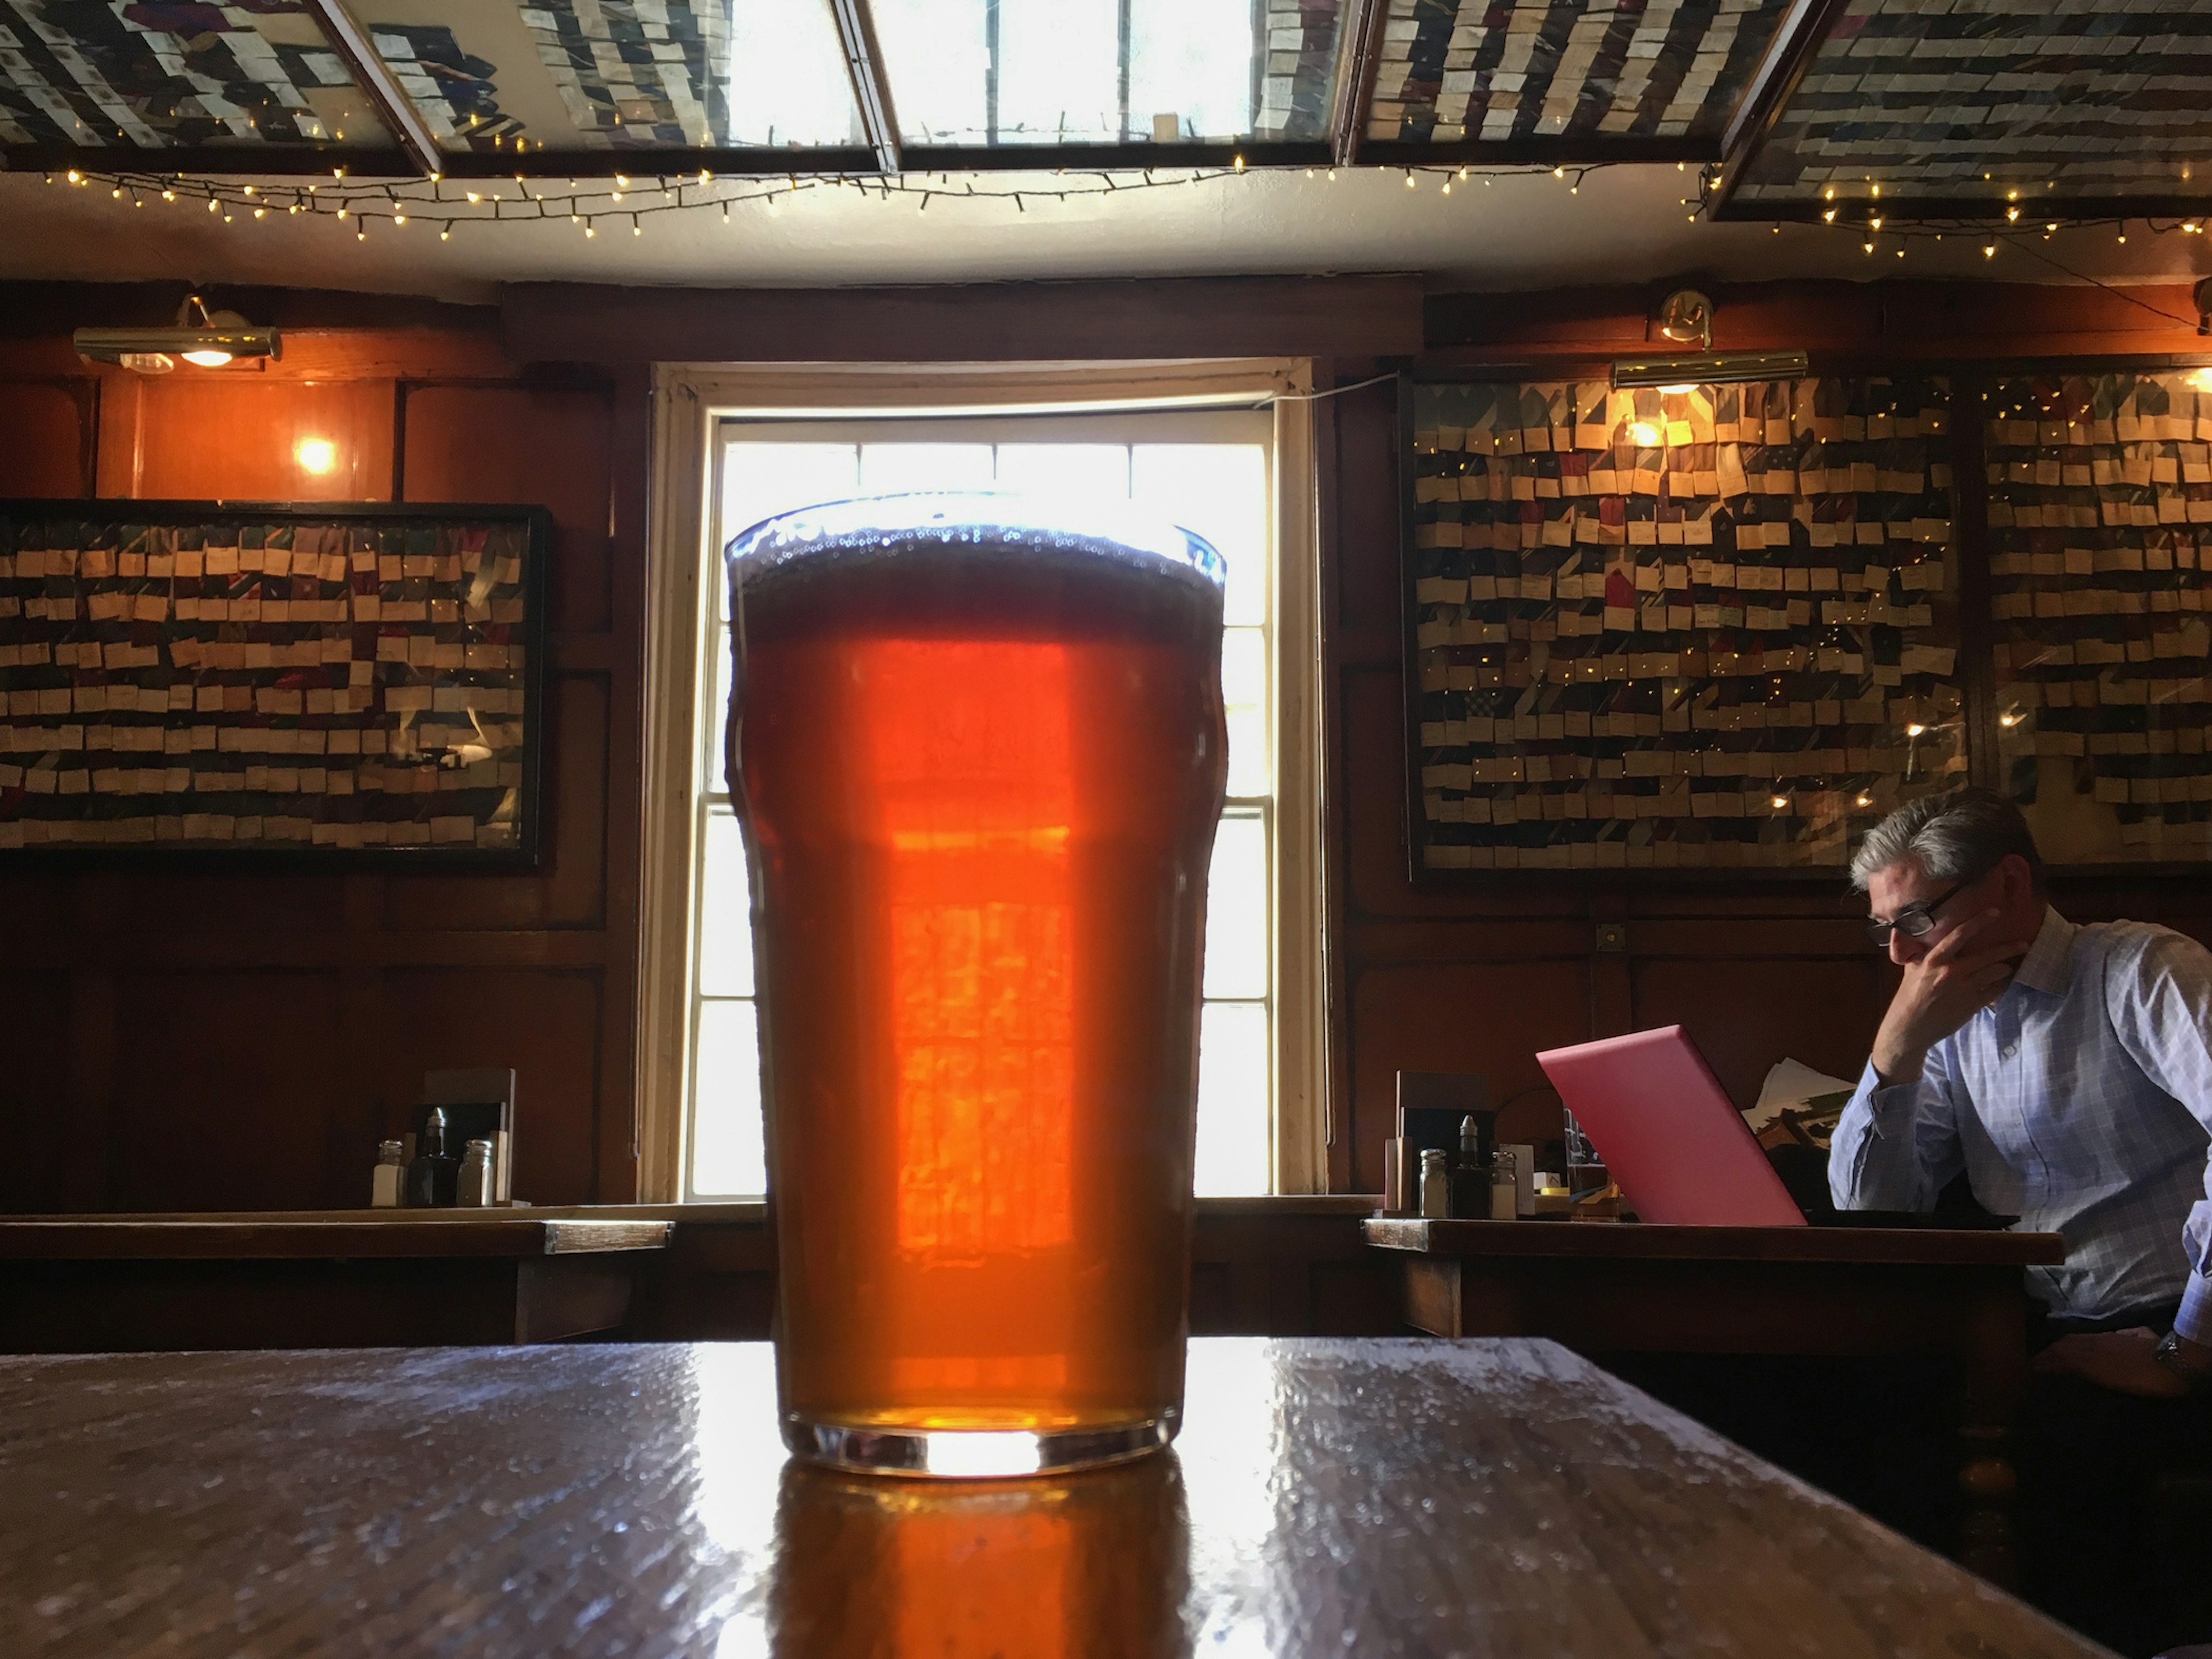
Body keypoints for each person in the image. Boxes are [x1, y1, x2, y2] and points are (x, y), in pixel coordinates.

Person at [1832, 785, 2212, 1653]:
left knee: (2057, 1472)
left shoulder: (2142, 970)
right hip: (2034, 1328)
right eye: (1882, 929)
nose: (1899, 954)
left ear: (2007, 883)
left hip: (2169, 1328)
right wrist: (1894, 1055)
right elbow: (1873, 1215)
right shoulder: (1950, 1017)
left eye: (1917, 917)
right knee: (1838, 1425)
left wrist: (2188, 1350)